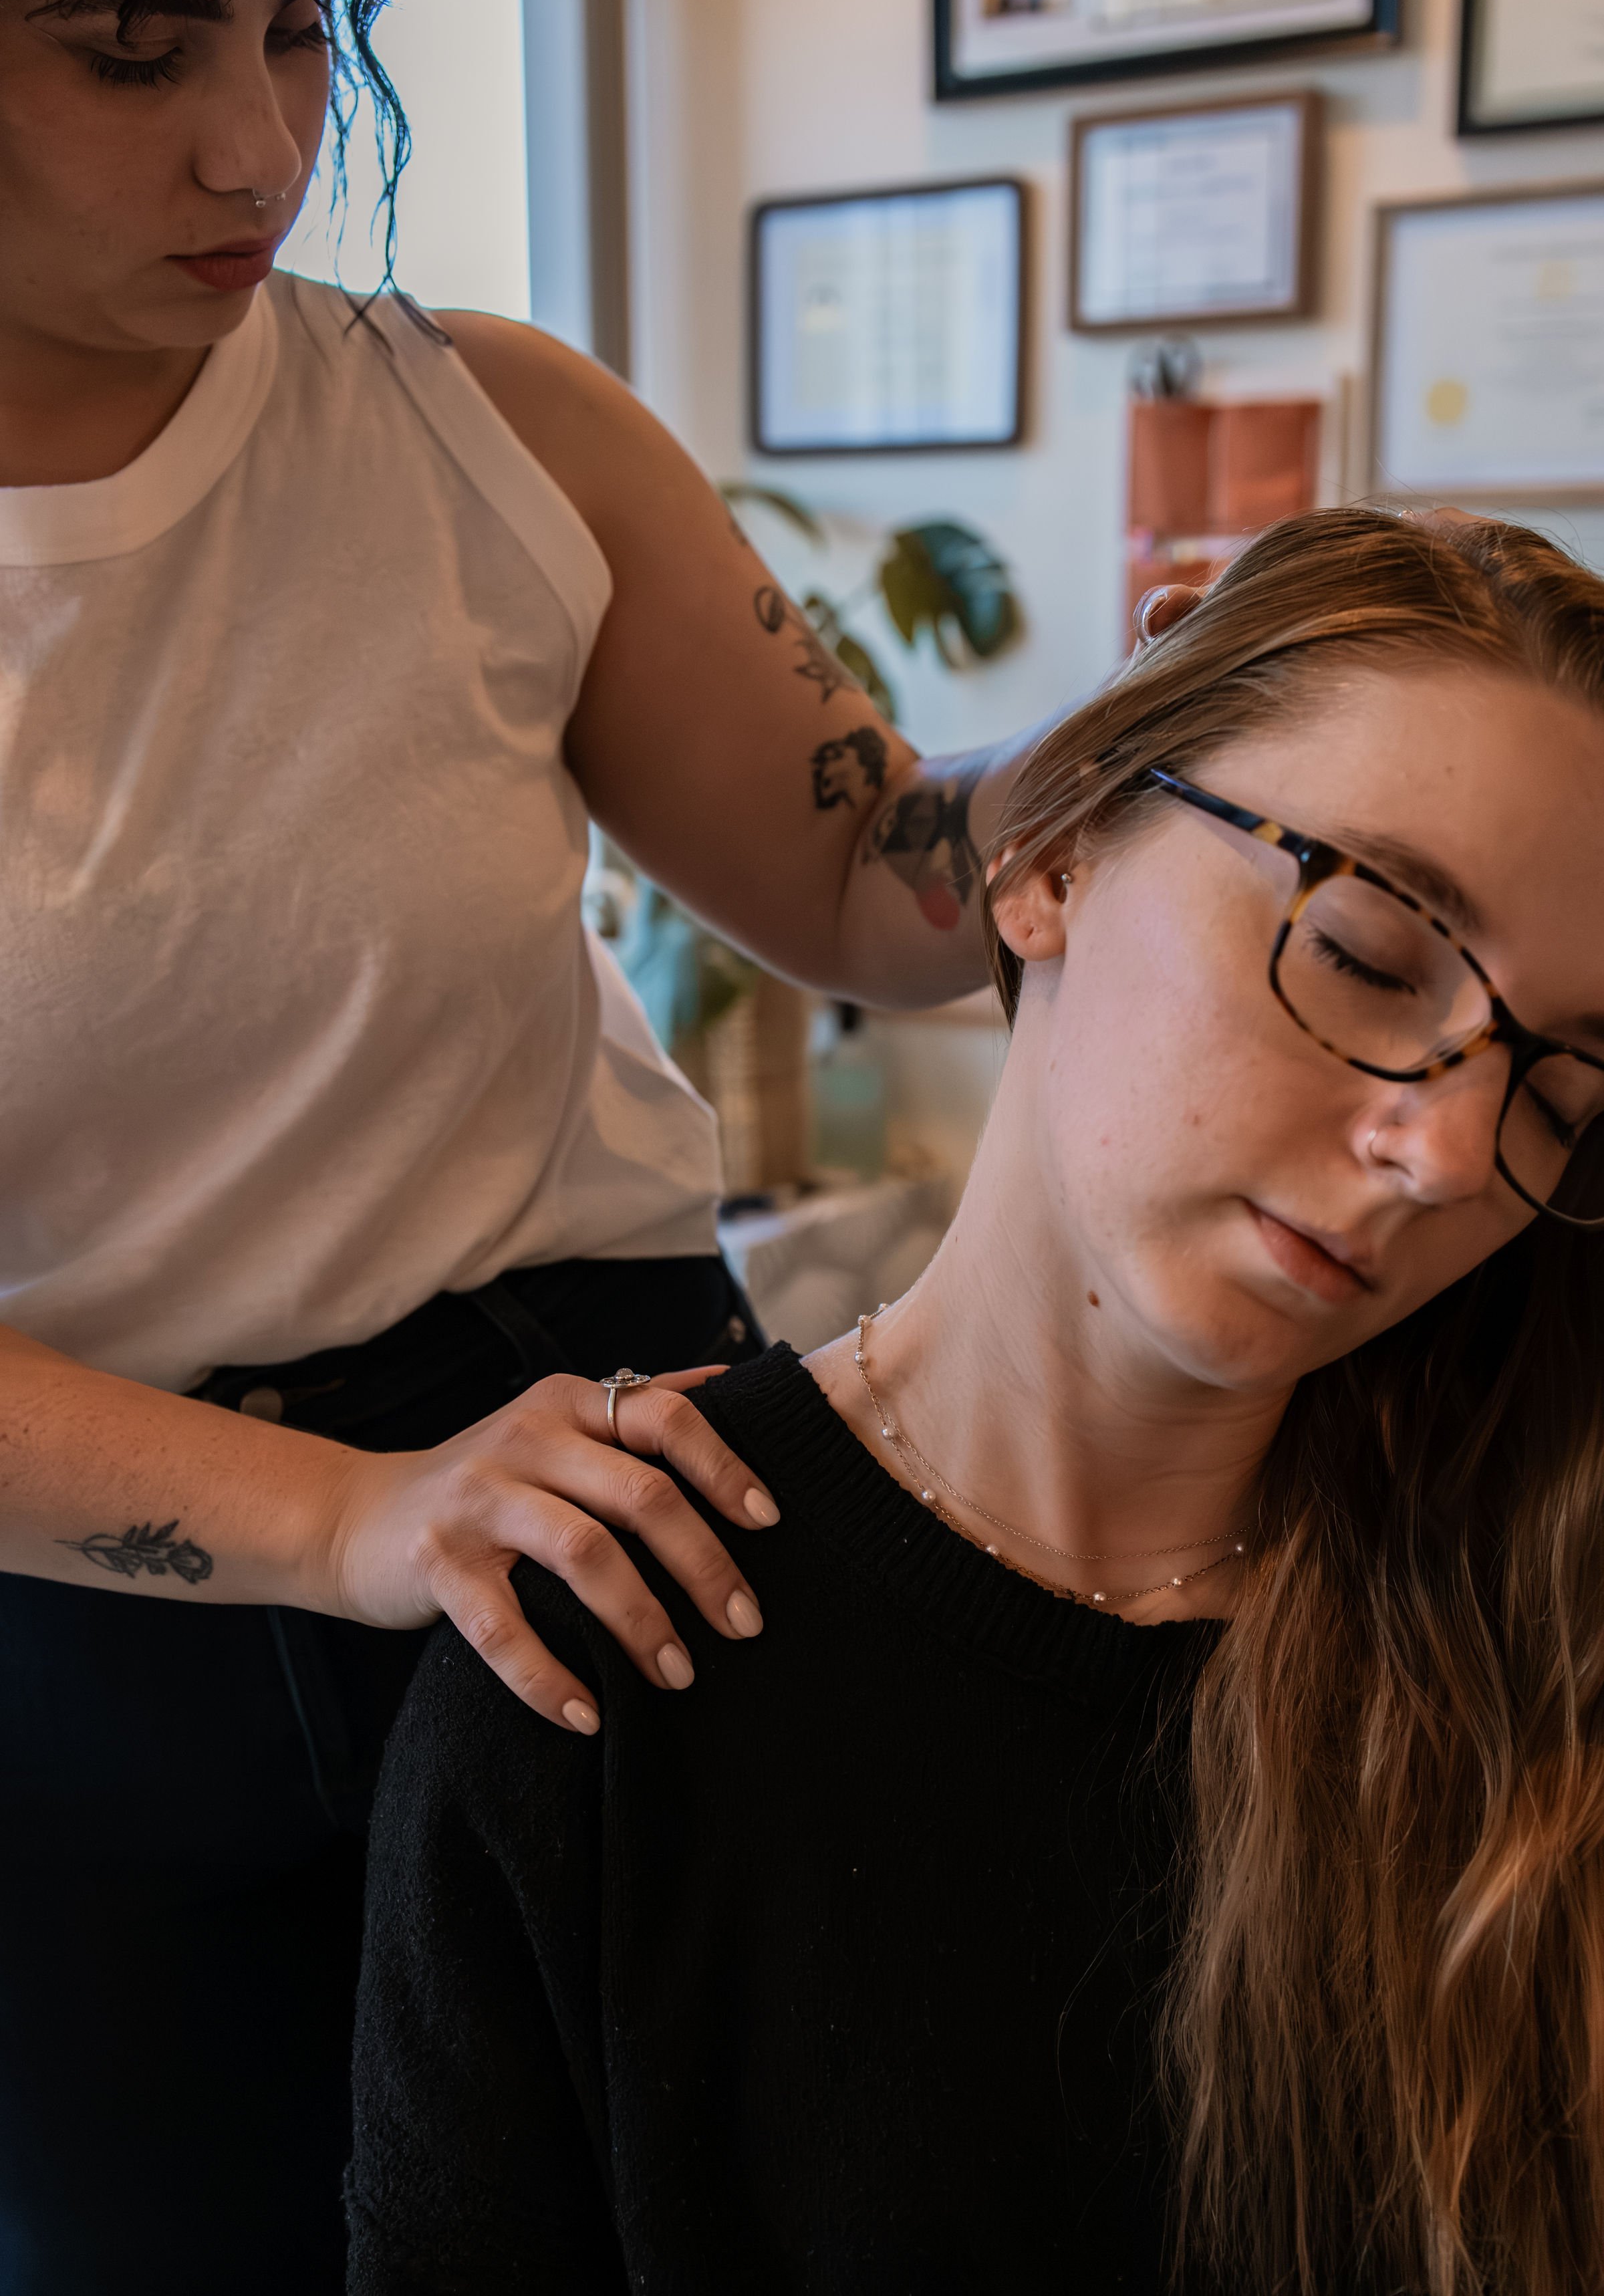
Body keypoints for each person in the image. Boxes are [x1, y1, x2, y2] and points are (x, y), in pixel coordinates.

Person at [0, 0, 1051, 2287]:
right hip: (83, 1582)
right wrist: (355, 1522)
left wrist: (1182, 757)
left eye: (292, 28)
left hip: (613, 1495)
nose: (257, 145)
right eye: (135, 56)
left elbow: (889, 894)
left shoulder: (480, 427)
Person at [349, 509, 1604, 2296]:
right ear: (1057, 854)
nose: (1443, 1151)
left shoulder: (1523, 1649)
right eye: (1373, 952)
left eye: (1559, 1090)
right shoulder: (616, 1622)